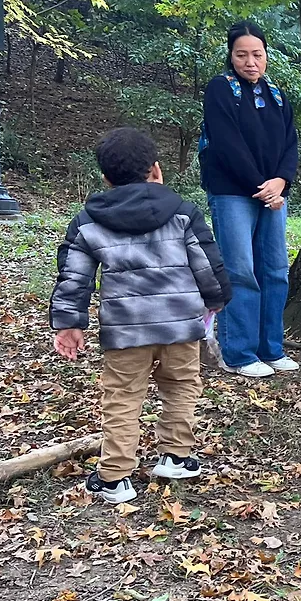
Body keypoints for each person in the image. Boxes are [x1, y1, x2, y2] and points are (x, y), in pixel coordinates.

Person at [51, 128, 231, 504]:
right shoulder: (182, 212)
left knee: (121, 396)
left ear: (105, 178)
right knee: (181, 386)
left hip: (125, 330)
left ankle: (115, 477)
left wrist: (69, 323)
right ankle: (176, 457)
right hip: (181, 325)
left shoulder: (89, 221)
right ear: (156, 170)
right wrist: (217, 298)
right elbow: (206, 262)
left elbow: (74, 276)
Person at [200, 20, 300, 378]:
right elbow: (227, 144)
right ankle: (238, 353)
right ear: (231, 56)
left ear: (266, 55)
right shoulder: (220, 89)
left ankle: (271, 349)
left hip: (273, 194)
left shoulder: (276, 95)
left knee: (275, 270)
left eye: (257, 54)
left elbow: (290, 143)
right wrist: (263, 186)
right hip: (233, 194)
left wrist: (281, 182)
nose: (250, 62)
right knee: (241, 271)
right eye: (242, 55)